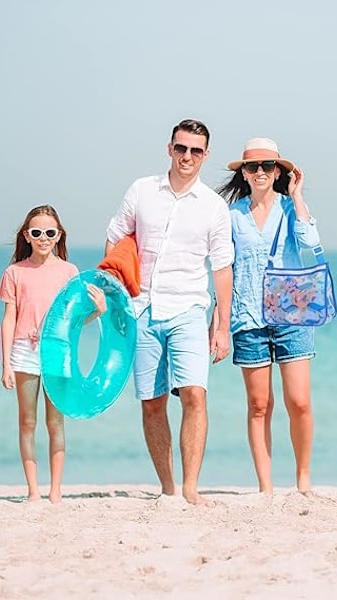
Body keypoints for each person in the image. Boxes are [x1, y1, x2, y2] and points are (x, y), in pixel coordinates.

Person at [105, 119, 234, 505]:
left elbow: (222, 266)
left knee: (195, 394)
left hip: (190, 308)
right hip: (142, 307)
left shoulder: (213, 206)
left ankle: (191, 487)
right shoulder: (142, 191)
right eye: (182, 148)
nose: (187, 157)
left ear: (205, 155)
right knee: (153, 400)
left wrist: (221, 325)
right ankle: (168, 488)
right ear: (170, 148)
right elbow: (115, 241)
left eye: (196, 151)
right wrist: (113, 298)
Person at [215, 137, 321, 494]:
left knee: (300, 401)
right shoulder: (231, 216)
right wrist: (219, 323)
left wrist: (299, 195)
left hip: (291, 316)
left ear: (278, 172)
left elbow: (310, 243)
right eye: (252, 166)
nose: (260, 172)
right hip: (247, 318)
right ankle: (266, 486)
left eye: (267, 166)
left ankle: (303, 478)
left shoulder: (291, 209)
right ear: (243, 173)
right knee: (259, 405)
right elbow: (220, 268)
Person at [0, 205, 106, 503]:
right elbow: (9, 319)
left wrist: (97, 312)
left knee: (55, 422)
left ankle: (55, 491)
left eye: (49, 232)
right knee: (27, 422)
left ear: (59, 235)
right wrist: (5, 363)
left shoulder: (69, 273)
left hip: (58, 353)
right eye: (36, 232)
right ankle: (33, 490)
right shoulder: (14, 272)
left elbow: (75, 321)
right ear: (26, 236)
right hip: (24, 352)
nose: (43, 238)